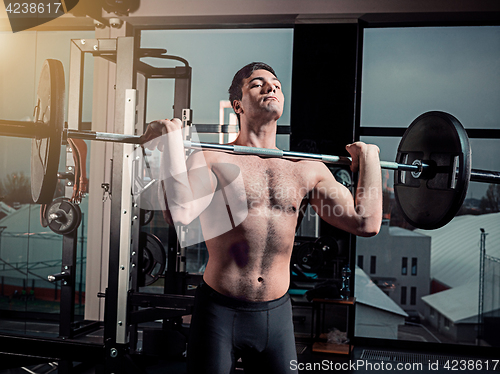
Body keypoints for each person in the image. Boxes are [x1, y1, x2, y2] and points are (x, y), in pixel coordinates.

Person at [142, 62, 382, 374]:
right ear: (237, 104)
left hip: (276, 314)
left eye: (277, 85)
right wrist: (173, 145)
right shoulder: (212, 159)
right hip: (219, 312)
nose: (271, 88)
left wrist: (371, 158)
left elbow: (366, 223)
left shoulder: (306, 169)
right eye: (258, 84)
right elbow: (181, 212)